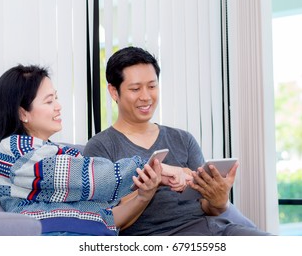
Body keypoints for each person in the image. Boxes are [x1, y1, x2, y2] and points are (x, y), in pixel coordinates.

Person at [0, 64, 190, 236]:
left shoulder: (56, 154)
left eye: (56, 98)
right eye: (49, 101)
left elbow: (106, 218)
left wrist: (145, 193)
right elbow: (93, 176)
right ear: (23, 113)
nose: (58, 106)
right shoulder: (15, 151)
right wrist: (156, 169)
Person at [84, 46, 272, 236]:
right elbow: (106, 221)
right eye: (135, 89)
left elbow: (208, 207)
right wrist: (145, 193)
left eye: (152, 86)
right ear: (114, 92)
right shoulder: (100, 147)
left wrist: (219, 199)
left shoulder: (182, 139)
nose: (146, 96)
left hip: (214, 230)